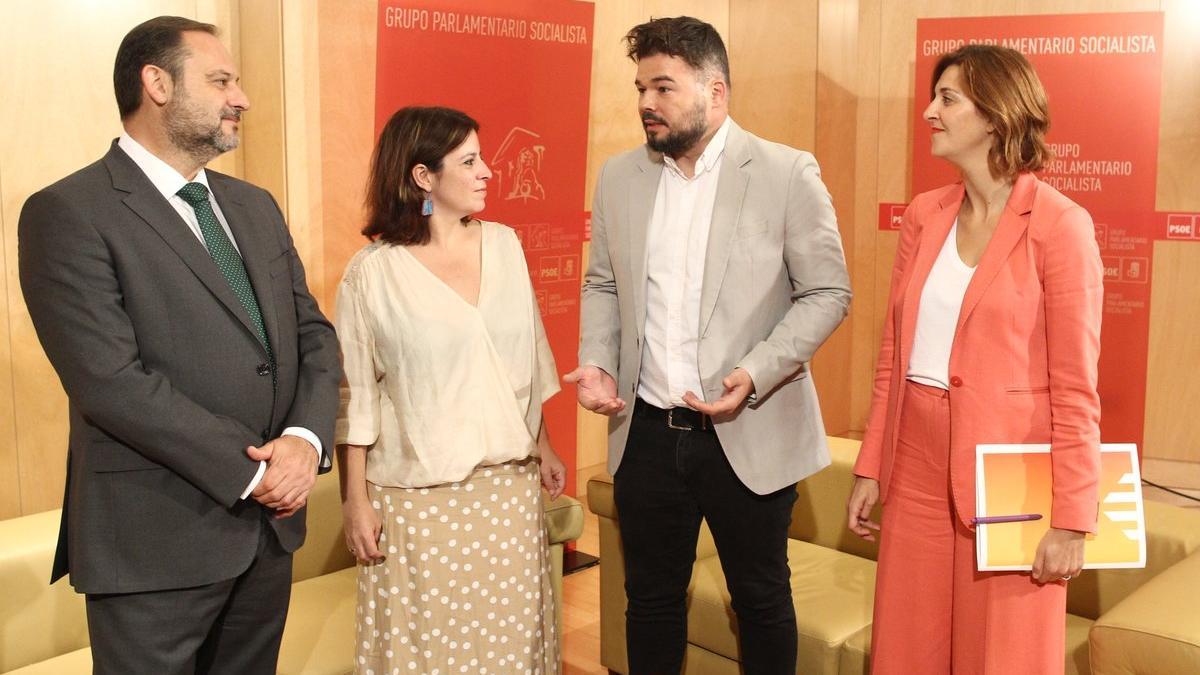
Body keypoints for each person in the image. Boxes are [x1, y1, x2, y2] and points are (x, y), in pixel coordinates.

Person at [17, 16, 341, 674]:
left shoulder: (254, 206)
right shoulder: (69, 213)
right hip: (152, 545)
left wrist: (306, 441)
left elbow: (312, 334)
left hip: (266, 540)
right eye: (221, 80)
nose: (241, 98)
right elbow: (111, 381)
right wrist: (258, 471)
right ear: (156, 83)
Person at [565, 16, 851, 674]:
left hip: (750, 431)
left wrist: (756, 370)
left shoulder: (785, 172)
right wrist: (599, 361)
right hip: (647, 436)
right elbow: (603, 283)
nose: (644, 103)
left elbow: (828, 293)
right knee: (651, 600)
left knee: (760, 598)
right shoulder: (619, 177)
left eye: (663, 87)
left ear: (714, 91)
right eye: (640, 87)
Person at [846, 45, 1103, 674]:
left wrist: (1073, 518)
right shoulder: (923, 216)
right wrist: (872, 462)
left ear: (995, 114)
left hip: (1011, 471)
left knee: (1005, 656)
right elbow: (892, 356)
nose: (929, 112)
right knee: (908, 650)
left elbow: (1075, 389)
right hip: (915, 462)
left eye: (948, 99)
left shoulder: (1061, 226)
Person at [335, 106, 567, 674]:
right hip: (418, 504)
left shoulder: (507, 246)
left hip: (508, 494)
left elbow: (527, 361)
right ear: (423, 177)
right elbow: (354, 398)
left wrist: (546, 444)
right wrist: (354, 499)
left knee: (513, 652)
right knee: (428, 657)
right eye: (469, 161)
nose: (488, 171)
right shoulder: (371, 275)